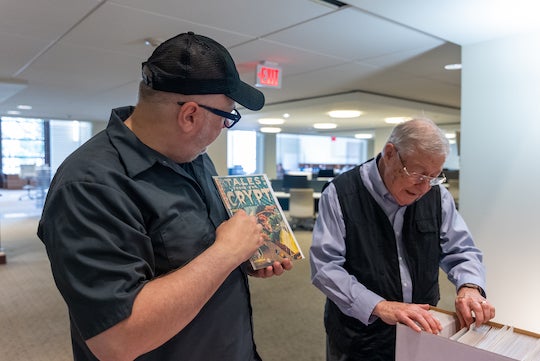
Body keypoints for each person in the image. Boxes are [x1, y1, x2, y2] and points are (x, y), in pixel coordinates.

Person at [37, 31, 293, 361]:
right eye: (228, 117)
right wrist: (226, 254)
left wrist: (243, 258)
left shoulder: (195, 158)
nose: (224, 130)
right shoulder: (88, 186)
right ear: (190, 115)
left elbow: (199, 250)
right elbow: (116, 340)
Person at [309, 118, 496, 361]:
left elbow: (461, 250)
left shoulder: (437, 195)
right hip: (359, 336)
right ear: (389, 154)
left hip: (422, 330)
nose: (424, 187)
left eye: (434, 176)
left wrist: (470, 287)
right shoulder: (340, 193)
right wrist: (380, 306)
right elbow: (325, 267)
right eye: (418, 174)